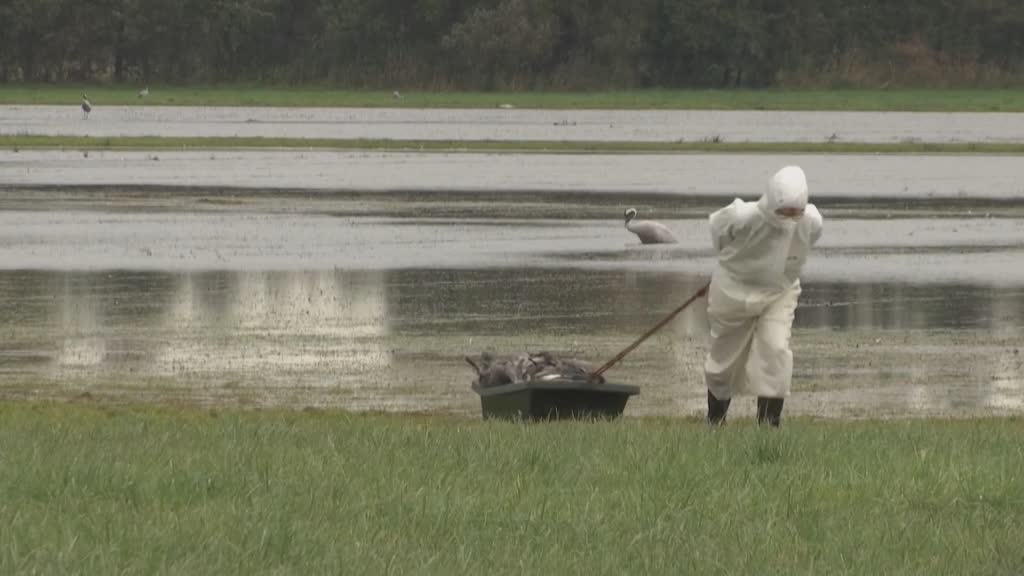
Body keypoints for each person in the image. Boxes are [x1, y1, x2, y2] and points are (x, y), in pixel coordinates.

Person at [703, 165, 823, 427]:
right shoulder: (741, 216)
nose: (790, 219)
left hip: (779, 294)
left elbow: (799, 248)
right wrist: (734, 266)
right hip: (732, 292)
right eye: (784, 212)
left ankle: (768, 425)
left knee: (776, 349)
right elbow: (718, 233)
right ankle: (715, 421)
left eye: (796, 213)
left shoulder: (812, 222)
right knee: (725, 360)